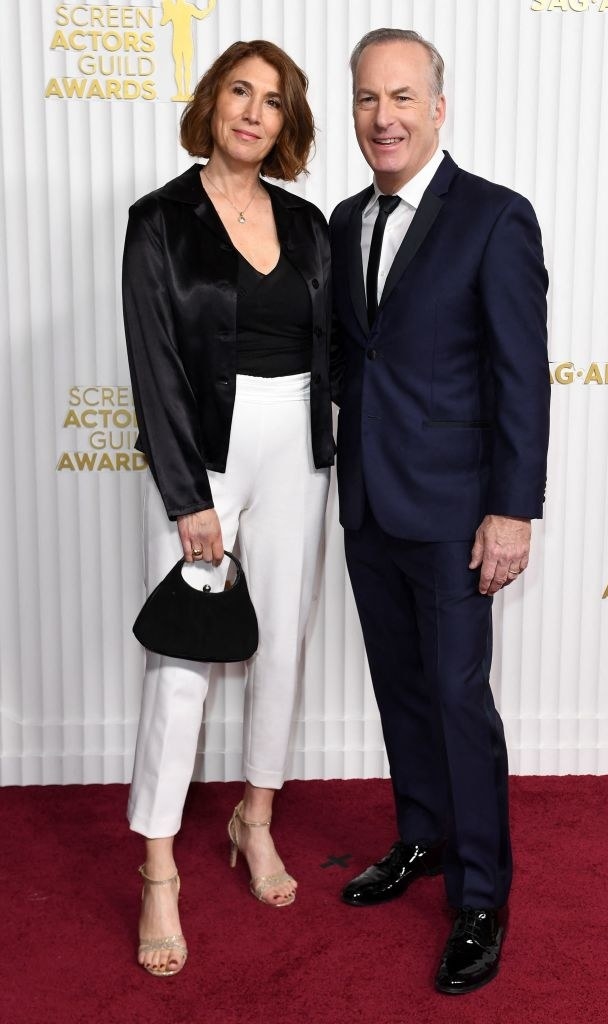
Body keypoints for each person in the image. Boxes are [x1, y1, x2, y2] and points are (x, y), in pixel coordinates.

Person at [329, 28, 550, 995]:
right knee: (401, 688)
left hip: (459, 513)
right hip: (370, 505)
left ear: (438, 108)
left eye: (403, 98)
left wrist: (511, 511)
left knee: (459, 699)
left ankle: (479, 896)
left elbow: (521, 379)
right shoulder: (343, 220)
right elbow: (352, 361)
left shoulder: (495, 219)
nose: (385, 118)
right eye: (369, 100)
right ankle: (419, 836)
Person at [122, 39, 334, 976]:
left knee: (282, 636)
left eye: (274, 100)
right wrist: (184, 494)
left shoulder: (308, 220)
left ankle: (255, 818)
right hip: (206, 445)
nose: (254, 111)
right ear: (211, 104)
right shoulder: (158, 220)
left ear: (287, 123)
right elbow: (154, 361)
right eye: (240, 93)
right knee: (186, 658)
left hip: (299, 440)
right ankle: (159, 868)